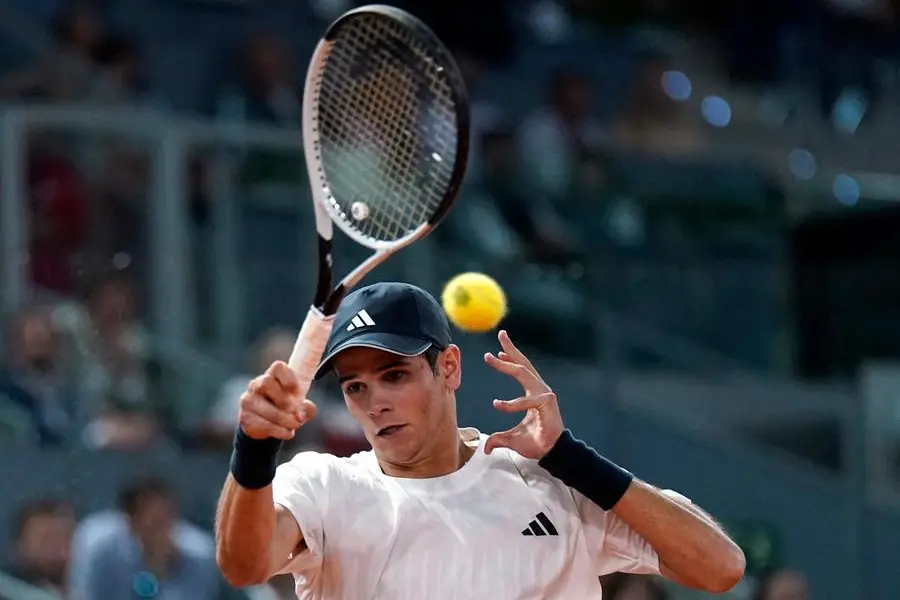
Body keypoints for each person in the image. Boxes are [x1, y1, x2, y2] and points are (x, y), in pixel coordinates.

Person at [215, 282, 746, 598]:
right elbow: (244, 565)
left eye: (395, 375)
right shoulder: (322, 484)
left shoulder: (552, 486)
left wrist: (570, 458)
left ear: (448, 368)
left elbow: (720, 567)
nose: (374, 402)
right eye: (356, 387)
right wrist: (254, 448)